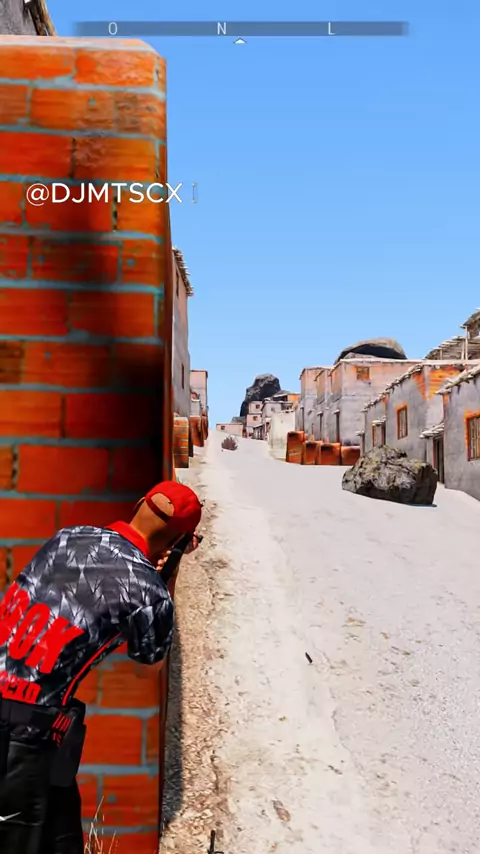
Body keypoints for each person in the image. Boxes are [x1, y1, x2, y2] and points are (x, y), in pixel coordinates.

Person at [0, 480, 202, 854]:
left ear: (139, 503)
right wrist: (166, 580)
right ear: (179, 543)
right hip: (24, 731)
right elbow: (148, 668)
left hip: (40, 729)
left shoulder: (68, 536)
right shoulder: (149, 592)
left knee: (62, 841)